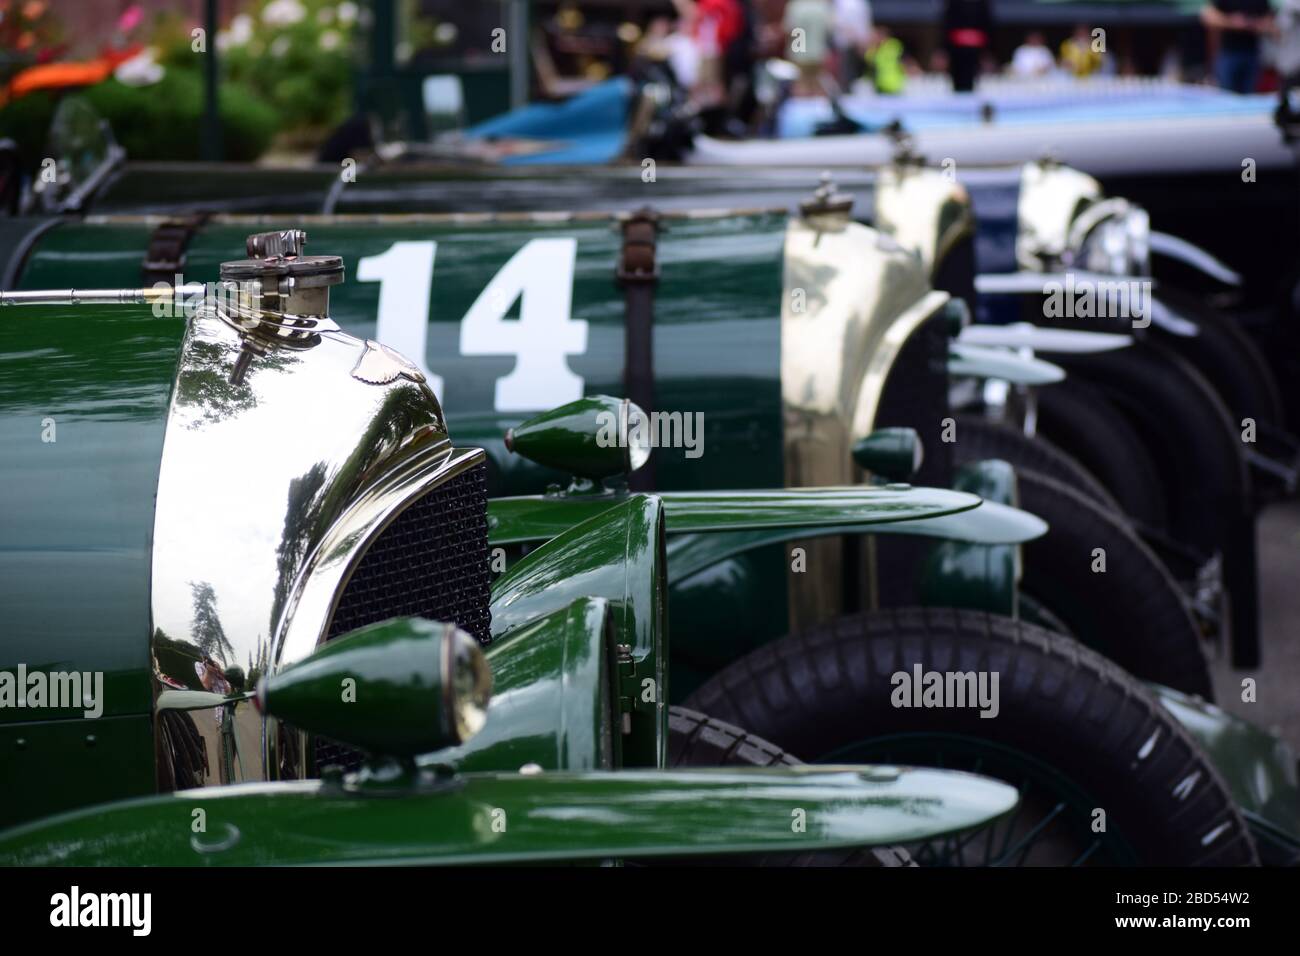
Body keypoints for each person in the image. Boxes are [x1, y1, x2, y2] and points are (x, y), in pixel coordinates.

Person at [1201, 0, 1275, 94]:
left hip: (1252, 54)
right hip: (1228, 53)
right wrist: (1232, 22)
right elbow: (1208, 16)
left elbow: (1269, 21)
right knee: (1226, 95)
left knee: (1250, 97)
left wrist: (1253, 24)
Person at [783, 0, 832, 95]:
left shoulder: (795, 6)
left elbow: (789, 29)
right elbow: (829, 29)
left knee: (801, 85)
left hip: (799, 53)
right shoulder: (822, 5)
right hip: (818, 53)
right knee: (817, 85)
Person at [943, 0, 992, 93]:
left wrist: (987, 51)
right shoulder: (953, 3)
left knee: (970, 77)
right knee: (959, 77)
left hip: (974, 47)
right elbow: (948, 24)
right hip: (957, 47)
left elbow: (987, 24)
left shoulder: (982, 4)